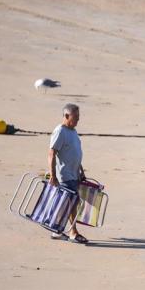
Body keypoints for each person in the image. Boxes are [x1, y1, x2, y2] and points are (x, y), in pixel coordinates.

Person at [48, 103, 88, 244]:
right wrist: (53, 175)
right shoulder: (60, 131)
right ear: (66, 116)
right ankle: (73, 232)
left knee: (67, 203)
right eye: (75, 117)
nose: (78, 119)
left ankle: (56, 231)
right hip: (65, 174)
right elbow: (52, 153)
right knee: (72, 202)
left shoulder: (73, 131)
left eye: (78, 116)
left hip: (74, 173)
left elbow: (74, 152)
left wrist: (80, 170)